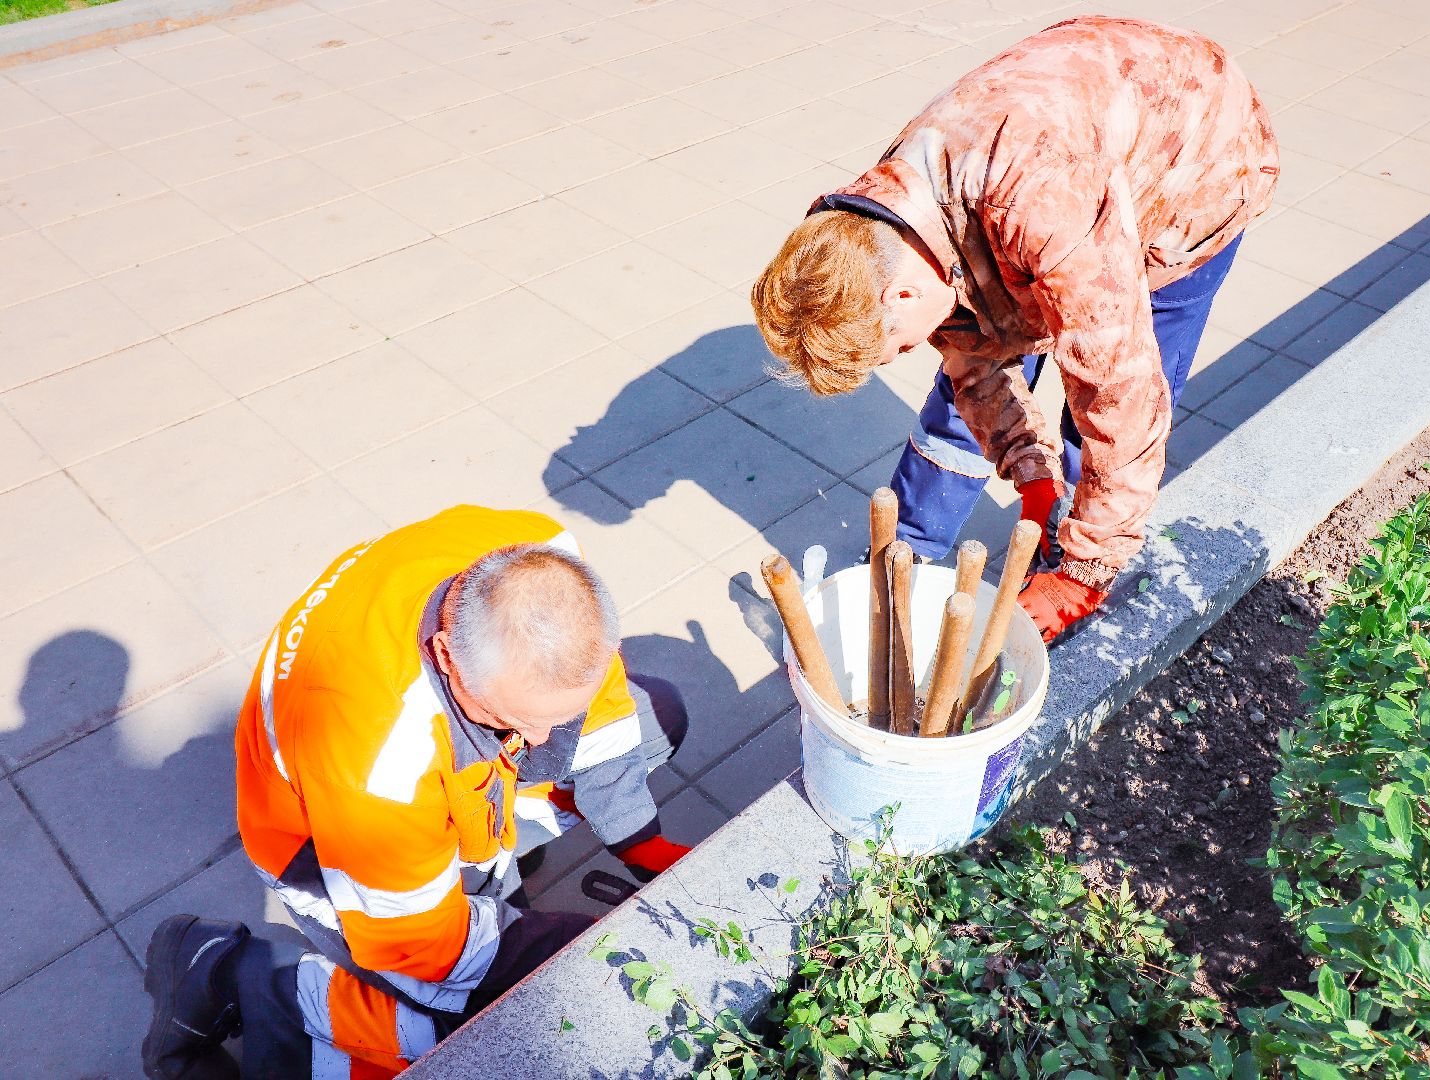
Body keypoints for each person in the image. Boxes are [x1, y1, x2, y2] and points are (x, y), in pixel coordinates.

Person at [752, 16, 1278, 642]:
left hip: (1198, 157)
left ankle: (1079, 564)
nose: (909, 352)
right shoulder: (883, 220)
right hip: (1080, 138)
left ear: (903, 291)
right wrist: (1029, 471)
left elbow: (1120, 392)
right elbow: (973, 351)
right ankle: (983, 534)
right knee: (1002, 363)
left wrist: (1088, 566)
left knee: (1118, 389)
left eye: (896, 344)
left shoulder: (1040, 203)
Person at [141, 505, 692, 1079]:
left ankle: (487, 873)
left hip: (424, 786)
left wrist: (642, 842)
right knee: (491, 1026)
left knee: (658, 716)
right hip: (330, 849)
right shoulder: (382, 761)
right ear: (449, 656)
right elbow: (423, 945)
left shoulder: (544, 566)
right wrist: (567, 955)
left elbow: (600, 704)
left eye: (554, 718)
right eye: (514, 720)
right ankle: (241, 977)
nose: (538, 742)